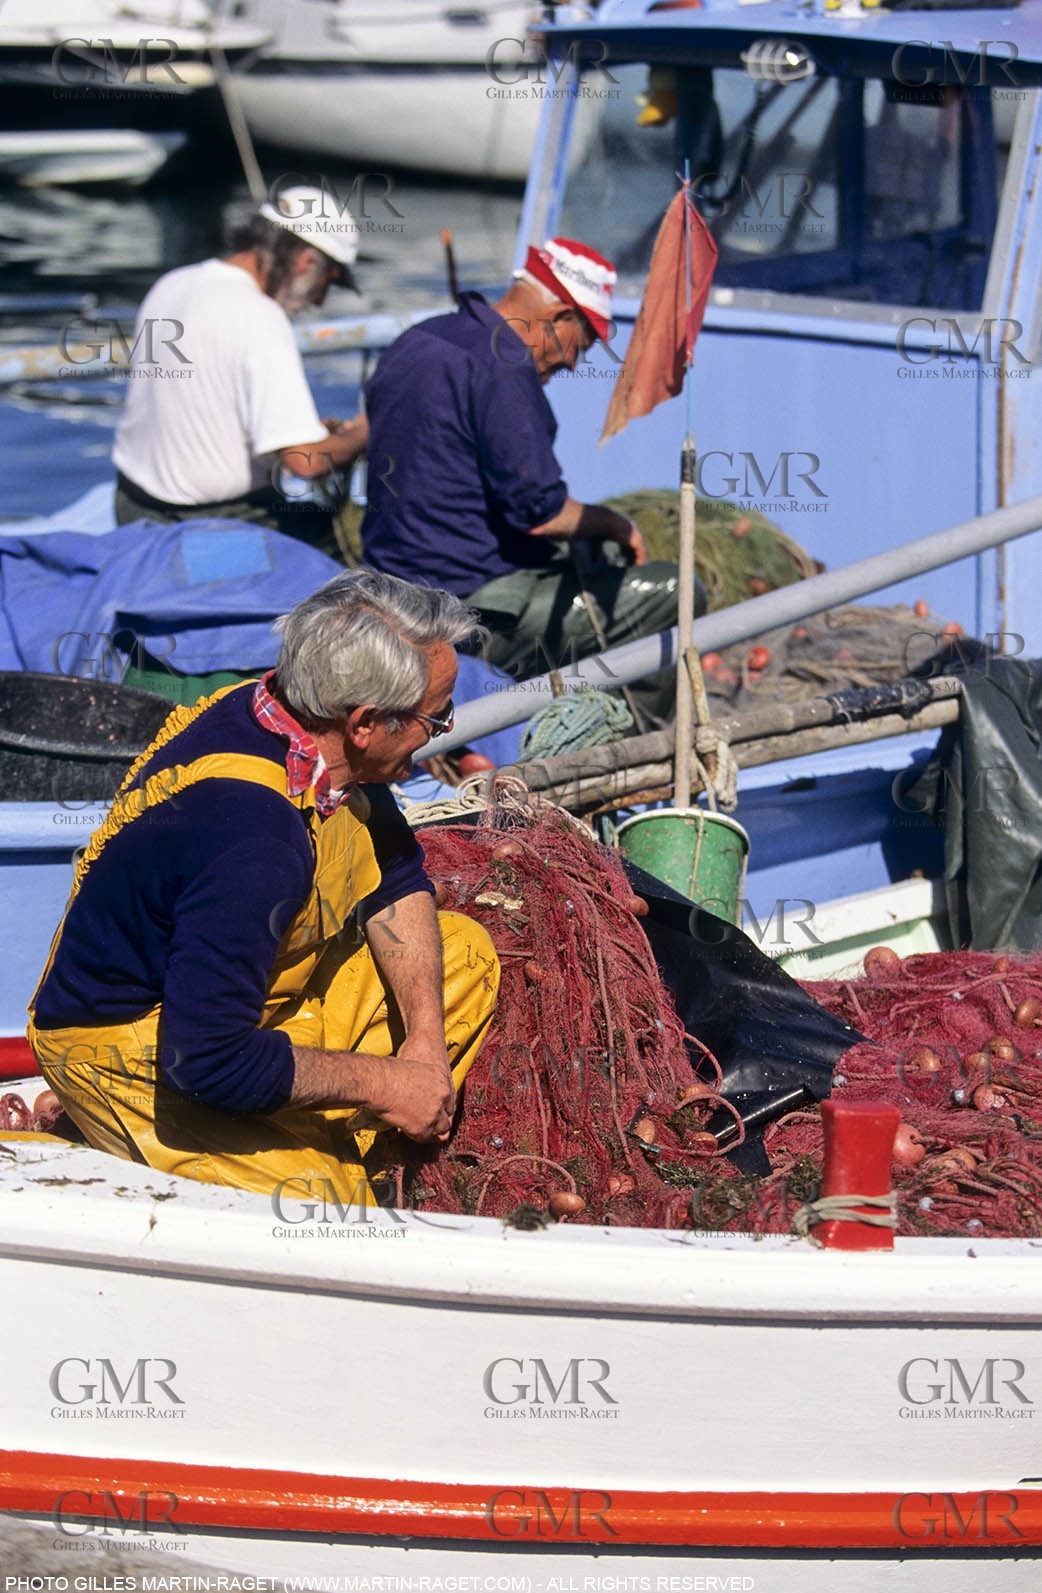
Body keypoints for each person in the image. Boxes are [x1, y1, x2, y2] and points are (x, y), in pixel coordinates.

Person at [27, 572, 499, 1206]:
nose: (439, 732)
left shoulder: (292, 724)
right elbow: (208, 1063)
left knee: (463, 952)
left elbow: (397, 877)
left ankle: (300, 1131)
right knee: (321, 1210)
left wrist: (424, 1045)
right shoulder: (253, 840)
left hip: (249, 1007)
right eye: (432, 718)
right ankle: (76, 1147)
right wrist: (386, 1086)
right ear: (364, 722)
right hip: (143, 1050)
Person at [361, 236, 705, 720]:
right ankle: (626, 733)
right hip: (466, 612)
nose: (571, 364)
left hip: (392, 592)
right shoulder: (504, 367)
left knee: (591, 555)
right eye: (579, 346)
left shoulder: (420, 339)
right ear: (562, 316)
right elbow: (540, 514)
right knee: (676, 591)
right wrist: (615, 524)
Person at [112, 185, 369, 559]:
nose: (319, 301)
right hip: (203, 528)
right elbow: (304, 463)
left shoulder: (173, 283)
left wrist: (311, 433)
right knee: (348, 549)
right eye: (326, 283)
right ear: (306, 263)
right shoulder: (258, 317)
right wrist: (365, 435)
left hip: (131, 506)